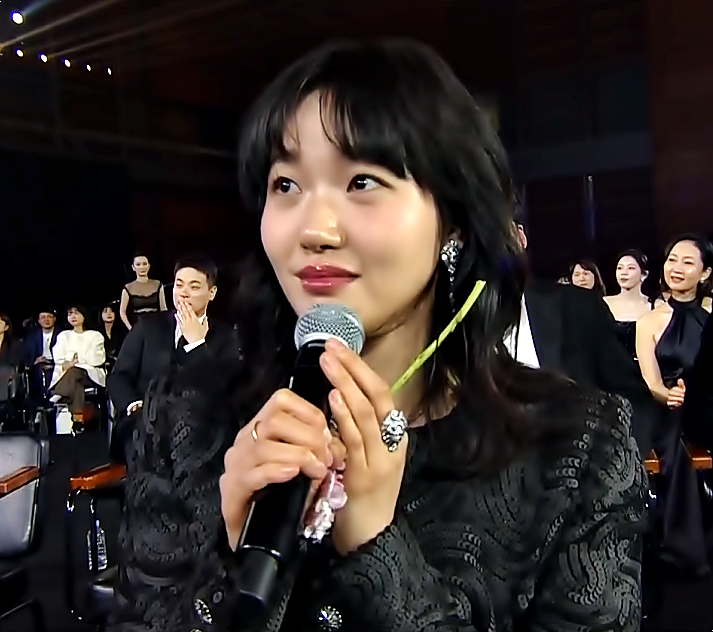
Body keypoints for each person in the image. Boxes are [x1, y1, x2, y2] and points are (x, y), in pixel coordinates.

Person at [108, 39, 645, 632]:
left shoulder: (577, 448)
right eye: (285, 185)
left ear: (455, 222)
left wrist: (376, 547)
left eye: (362, 181)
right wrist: (230, 557)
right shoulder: (186, 413)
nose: (314, 229)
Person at [511, 211, 656, 456]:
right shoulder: (448, 330)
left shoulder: (580, 309)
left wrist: (612, 464)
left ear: (520, 236)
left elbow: (634, 402)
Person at [108, 254, 241, 464]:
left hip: (196, 432)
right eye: (179, 285)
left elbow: (224, 392)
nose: (184, 293)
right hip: (142, 426)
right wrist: (136, 405)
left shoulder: (226, 336)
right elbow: (118, 377)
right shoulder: (148, 327)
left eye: (194, 287)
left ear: (212, 293)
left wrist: (196, 344)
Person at [635, 234, 712, 576]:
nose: (676, 268)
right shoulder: (649, 320)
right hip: (668, 407)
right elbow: (652, 383)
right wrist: (670, 395)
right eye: (672, 260)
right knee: (677, 437)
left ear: (705, 273)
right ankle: (685, 547)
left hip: (707, 403)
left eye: (687, 262)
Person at [50, 305, 106, 422]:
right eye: (70, 314)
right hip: (68, 375)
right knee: (76, 385)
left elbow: (96, 359)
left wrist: (73, 362)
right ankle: (77, 418)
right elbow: (59, 358)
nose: (73, 316)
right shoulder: (63, 336)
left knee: (74, 371)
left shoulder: (95, 336)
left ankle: (60, 393)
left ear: (84, 316)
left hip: (89, 373)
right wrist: (72, 362)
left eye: (76, 313)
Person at [604, 250, 655, 360]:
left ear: (644, 275)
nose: (624, 272)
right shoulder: (603, 304)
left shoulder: (655, 307)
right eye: (620, 268)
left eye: (631, 268)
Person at [22, 309, 61, 408]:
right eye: (43, 317)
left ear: (54, 319)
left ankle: (51, 402)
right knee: (38, 372)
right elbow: (26, 357)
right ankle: (41, 405)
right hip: (38, 365)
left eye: (49, 317)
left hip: (56, 364)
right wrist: (35, 361)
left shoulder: (62, 334)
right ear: (39, 321)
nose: (46, 320)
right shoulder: (31, 337)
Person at [119, 253, 167, 330]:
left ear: (149, 266)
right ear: (133, 267)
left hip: (156, 325)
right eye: (138, 264)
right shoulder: (128, 288)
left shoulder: (157, 284)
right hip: (138, 326)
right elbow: (122, 312)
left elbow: (163, 309)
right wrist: (131, 329)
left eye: (144, 264)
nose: (142, 267)